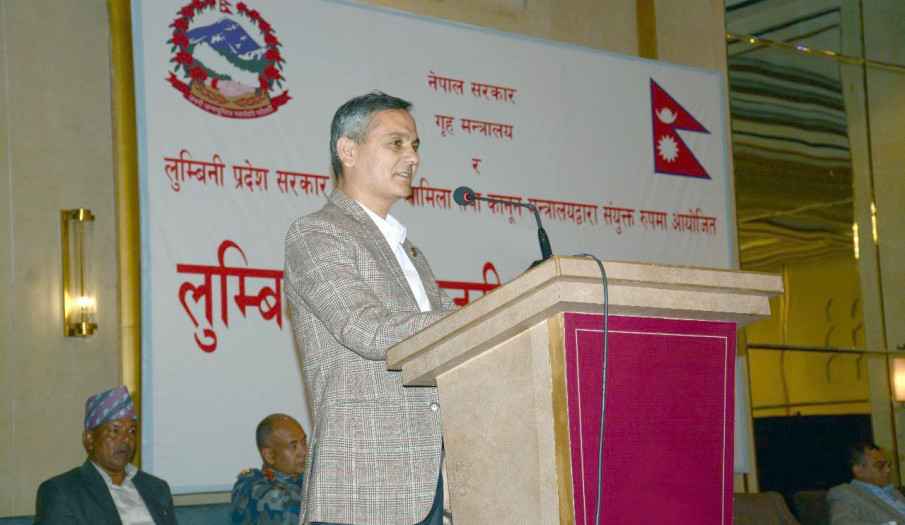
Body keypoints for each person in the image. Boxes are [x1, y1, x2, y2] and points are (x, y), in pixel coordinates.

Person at [284, 91, 457, 524]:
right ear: (348, 151)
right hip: (363, 486)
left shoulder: (410, 252)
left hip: (431, 486)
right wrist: (479, 318)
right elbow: (365, 328)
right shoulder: (316, 233)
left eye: (415, 145)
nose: (412, 157)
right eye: (396, 143)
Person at [34, 385, 177, 524]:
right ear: (90, 439)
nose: (126, 439)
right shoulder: (62, 491)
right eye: (115, 431)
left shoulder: (157, 488)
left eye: (132, 431)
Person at [229, 414, 308, 524]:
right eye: (293, 447)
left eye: (304, 442)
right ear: (270, 455)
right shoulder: (267, 493)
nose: (304, 452)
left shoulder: (302, 480)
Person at [828, 441, 905, 525]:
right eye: (879, 465)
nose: (888, 470)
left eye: (888, 464)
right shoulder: (845, 493)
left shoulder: (892, 491)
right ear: (859, 471)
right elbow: (841, 522)